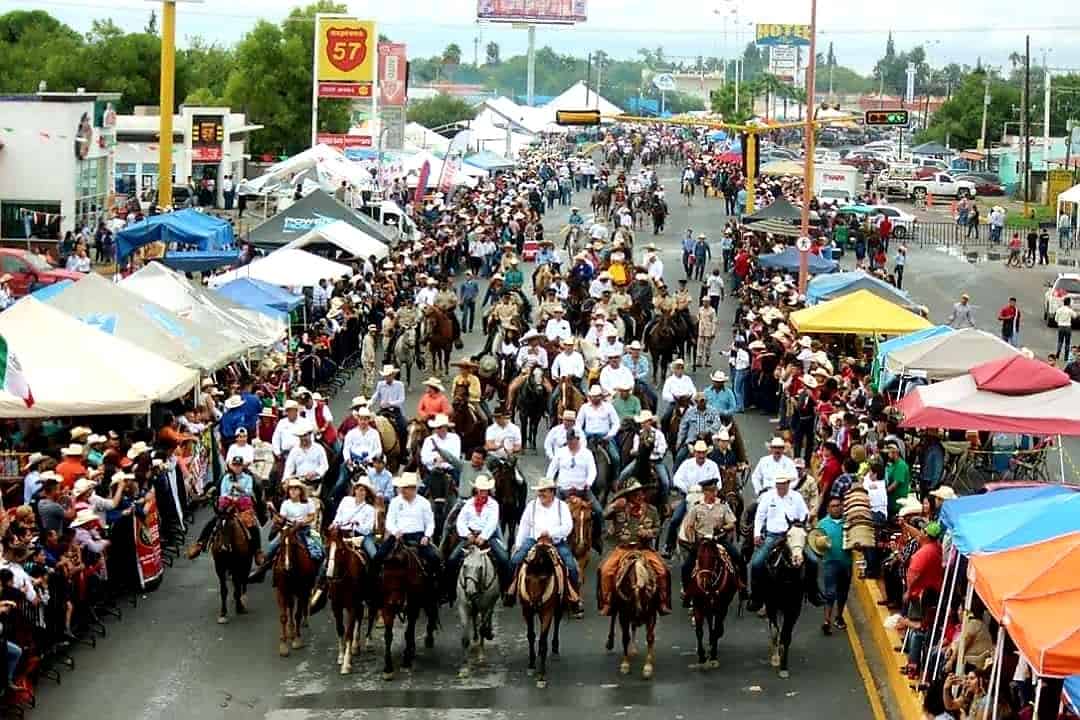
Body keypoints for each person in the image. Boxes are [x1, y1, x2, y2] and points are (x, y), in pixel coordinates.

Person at [597, 480, 671, 616]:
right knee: (605, 570)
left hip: (644, 549)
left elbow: (658, 529)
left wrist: (648, 533)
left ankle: (663, 601)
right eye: (635, 494)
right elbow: (603, 515)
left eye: (641, 493)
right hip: (622, 549)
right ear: (628, 495)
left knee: (662, 571)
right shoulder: (619, 509)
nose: (639, 496)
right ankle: (607, 602)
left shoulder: (652, 510)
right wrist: (613, 506)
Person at [508, 476, 581, 608]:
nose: (541, 494)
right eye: (539, 491)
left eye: (544, 491)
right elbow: (524, 526)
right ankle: (511, 591)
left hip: (556, 542)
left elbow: (567, 526)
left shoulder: (562, 506)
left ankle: (574, 597)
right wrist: (518, 545)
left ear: (552, 492)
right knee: (515, 560)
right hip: (534, 540)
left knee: (571, 566)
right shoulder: (532, 505)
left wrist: (551, 533)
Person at [747, 473, 815, 612]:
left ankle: (813, 592)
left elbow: (805, 515)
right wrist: (757, 534)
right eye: (778, 485)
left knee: (813, 561)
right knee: (756, 563)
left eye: (783, 484)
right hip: (774, 535)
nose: (780, 487)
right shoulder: (768, 496)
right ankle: (756, 597)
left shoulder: (796, 497)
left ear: (788, 484)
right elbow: (759, 516)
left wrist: (799, 526)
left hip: (793, 535)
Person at [443, 475, 511, 607]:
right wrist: (467, 534)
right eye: (481, 490)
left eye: (485, 490)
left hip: (488, 537)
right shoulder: (468, 503)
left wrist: (483, 536)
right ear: (476, 490)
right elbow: (461, 521)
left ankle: (505, 590)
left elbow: (492, 523)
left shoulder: (493, 504)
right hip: (470, 536)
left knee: (504, 559)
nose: (483, 493)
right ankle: (450, 592)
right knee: (451, 560)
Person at [677, 476, 743, 606]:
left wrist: (723, 527)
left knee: (737, 558)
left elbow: (732, 523)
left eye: (715, 490)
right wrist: (692, 541)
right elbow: (689, 525)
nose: (714, 493)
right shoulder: (696, 507)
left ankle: (741, 585)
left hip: (719, 540)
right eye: (710, 491)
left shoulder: (723, 506)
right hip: (702, 541)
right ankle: (686, 591)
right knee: (686, 567)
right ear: (705, 492)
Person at [188, 456, 263, 561]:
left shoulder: (248, 478)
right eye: (235, 465)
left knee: (253, 526)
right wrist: (230, 498)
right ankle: (200, 543)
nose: (237, 468)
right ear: (232, 466)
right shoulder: (226, 478)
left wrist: (240, 489)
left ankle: (257, 551)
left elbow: (249, 492)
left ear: (242, 467)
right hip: (228, 505)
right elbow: (223, 493)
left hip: (242, 506)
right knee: (213, 521)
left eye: (239, 466)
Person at [250, 478, 323, 581]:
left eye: (296, 489)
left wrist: (302, 522)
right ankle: (261, 571)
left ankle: (318, 578)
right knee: (272, 547)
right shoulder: (286, 503)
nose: (293, 491)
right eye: (291, 489)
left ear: (300, 491)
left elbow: (311, 516)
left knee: (318, 550)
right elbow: (282, 518)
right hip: (288, 530)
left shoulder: (308, 502)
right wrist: (276, 516)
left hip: (304, 530)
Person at [546, 430, 603, 553]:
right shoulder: (560, 452)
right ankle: (551, 538)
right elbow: (552, 469)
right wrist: (550, 483)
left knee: (598, 511)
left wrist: (588, 482)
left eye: (573, 440)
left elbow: (592, 470)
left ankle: (597, 538)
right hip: (563, 490)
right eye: (569, 440)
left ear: (578, 440)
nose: (571, 442)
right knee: (552, 512)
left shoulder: (587, 453)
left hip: (582, 490)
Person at [374, 472, 440, 574]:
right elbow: (390, 521)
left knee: (434, 558)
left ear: (413, 489)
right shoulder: (395, 501)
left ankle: (435, 585)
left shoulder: (424, 503)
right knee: (378, 556)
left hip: (418, 536)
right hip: (398, 536)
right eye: (402, 488)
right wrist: (395, 531)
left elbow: (430, 523)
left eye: (405, 488)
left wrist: (426, 536)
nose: (402, 490)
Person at [663, 441, 721, 557]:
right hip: (689, 497)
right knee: (675, 519)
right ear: (694, 453)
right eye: (699, 453)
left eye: (703, 453)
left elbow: (719, 483)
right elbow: (677, 479)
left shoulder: (712, 465)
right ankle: (669, 546)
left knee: (721, 519)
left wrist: (708, 491)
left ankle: (722, 546)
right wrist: (687, 489)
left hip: (707, 498)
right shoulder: (686, 464)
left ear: (706, 453)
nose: (701, 455)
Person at [816, 496, 851, 635]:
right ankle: (826, 620)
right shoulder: (822, 524)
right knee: (830, 593)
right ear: (828, 509)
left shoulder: (848, 523)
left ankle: (839, 616)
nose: (837, 508)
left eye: (838, 505)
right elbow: (816, 542)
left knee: (843, 592)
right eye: (833, 506)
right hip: (830, 563)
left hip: (846, 563)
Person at [575, 385, 622, 475]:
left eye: (597, 396)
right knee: (577, 456)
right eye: (593, 396)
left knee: (616, 457)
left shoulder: (608, 407)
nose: (595, 398)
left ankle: (616, 478)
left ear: (601, 396)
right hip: (588, 437)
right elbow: (578, 424)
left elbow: (616, 423)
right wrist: (582, 436)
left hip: (605, 438)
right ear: (590, 397)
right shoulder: (584, 407)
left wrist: (609, 435)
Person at [371, 365, 407, 442]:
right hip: (383, 410)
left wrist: (390, 403)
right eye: (386, 376)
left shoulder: (399, 385)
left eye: (389, 375)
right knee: (373, 425)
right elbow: (376, 395)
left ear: (393, 375)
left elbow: (401, 399)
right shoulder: (380, 384)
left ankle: (403, 448)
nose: (387, 377)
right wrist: (370, 402)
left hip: (395, 410)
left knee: (404, 426)